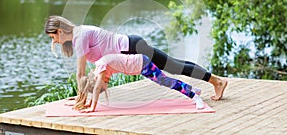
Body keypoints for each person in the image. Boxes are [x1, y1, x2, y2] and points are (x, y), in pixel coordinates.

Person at [44, 15, 227, 101]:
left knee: (173, 66)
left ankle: (216, 81)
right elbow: (96, 74)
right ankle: (209, 83)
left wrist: (80, 97)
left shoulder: (80, 37)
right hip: (131, 45)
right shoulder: (79, 33)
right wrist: (82, 96)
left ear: (59, 31)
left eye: (53, 37)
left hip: (131, 47)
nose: (55, 41)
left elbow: (80, 74)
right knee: (172, 66)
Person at [73, 54, 205, 111]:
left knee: (165, 81)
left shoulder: (100, 69)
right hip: (141, 64)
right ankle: (193, 89)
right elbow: (95, 88)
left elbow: (96, 89)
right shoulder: (99, 69)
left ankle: (194, 97)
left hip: (143, 65)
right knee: (165, 80)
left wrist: (92, 108)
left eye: (104, 84)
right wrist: (89, 103)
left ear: (96, 81)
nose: (106, 83)